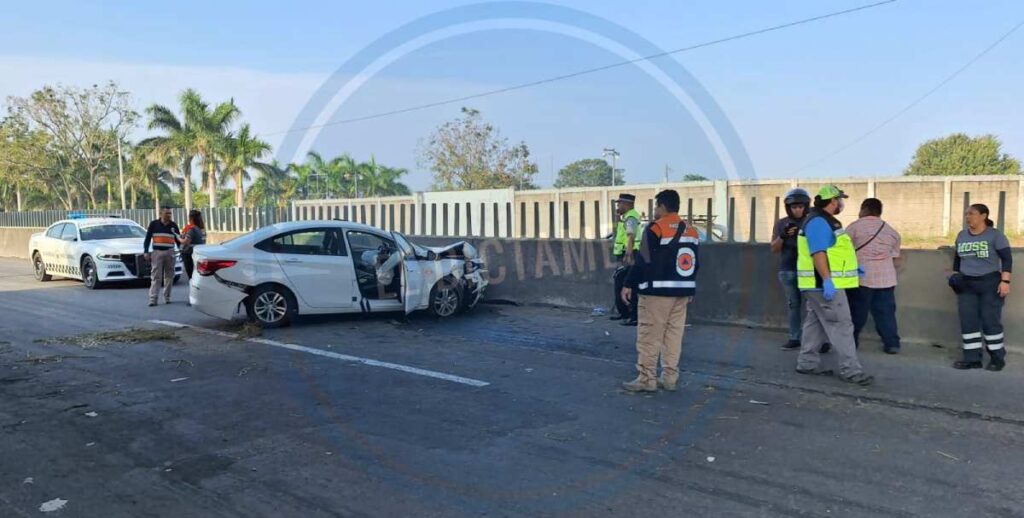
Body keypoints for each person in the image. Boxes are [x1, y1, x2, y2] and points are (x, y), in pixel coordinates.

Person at [620, 189, 700, 393]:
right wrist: (689, 286)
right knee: (673, 336)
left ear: (662, 206)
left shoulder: (655, 228)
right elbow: (695, 262)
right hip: (682, 291)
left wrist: (629, 284)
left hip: (656, 292)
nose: (655, 210)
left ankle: (647, 378)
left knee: (649, 335)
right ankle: (670, 377)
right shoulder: (690, 230)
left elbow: (642, 261)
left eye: (656, 206)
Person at [795, 185, 874, 386]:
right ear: (832, 201)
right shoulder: (820, 222)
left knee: (815, 323)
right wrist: (828, 280)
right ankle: (851, 370)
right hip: (823, 285)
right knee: (841, 325)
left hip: (815, 284)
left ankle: (807, 363)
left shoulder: (820, 220)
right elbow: (818, 252)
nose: (841, 203)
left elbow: (834, 252)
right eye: (840, 200)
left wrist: (852, 268)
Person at [949, 204, 1012, 371]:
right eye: (966, 214)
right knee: (968, 321)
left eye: (972, 213)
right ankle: (972, 358)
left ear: (983, 216)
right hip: (967, 284)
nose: (968, 217)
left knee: (990, 321)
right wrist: (954, 275)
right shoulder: (962, 235)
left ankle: (997, 358)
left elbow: (1007, 259)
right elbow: (957, 259)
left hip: (989, 283)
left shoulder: (995, 235)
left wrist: (1005, 282)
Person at [846, 198, 902, 354]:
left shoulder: (853, 228)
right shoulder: (892, 231)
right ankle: (892, 343)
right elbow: (895, 256)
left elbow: (843, 250)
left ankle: (851, 342)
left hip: (861, 279)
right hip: (886, 279)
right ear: (879, 211)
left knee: (856, 313)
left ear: (864, 209)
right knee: (886, 314)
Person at [772, 188, 811, 350]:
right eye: (794, 207)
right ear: (789, 208)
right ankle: (794, 337)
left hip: (808, 269)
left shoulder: (811, 221)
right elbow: (774, 249)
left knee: (813, 306)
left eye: (801, 207)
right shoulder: (782, 223)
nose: (798, 210)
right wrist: (784, 235)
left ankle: (816, 339)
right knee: (793, 305)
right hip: (788, 269)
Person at [610, 193, 642, 326]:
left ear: (628, 204)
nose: (618, 206)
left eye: (620, 203)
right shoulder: (627, 217)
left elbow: (630, 236)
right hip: (627, 253)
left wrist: (628, 254)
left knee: (629, 285)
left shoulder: (631, 217)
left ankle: (632, 316)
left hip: (630, 254)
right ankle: (625, 313)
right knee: (622, 283)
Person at [143, 207, 181, 307]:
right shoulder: (154, 224)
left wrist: (180, 250)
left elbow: (178, 239)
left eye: (170, 213)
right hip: (157, 252)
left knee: (169, 275)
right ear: (161, 214)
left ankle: (167, 297)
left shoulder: (173, 225)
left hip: (170, 252)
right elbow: (147, 239)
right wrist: (146, 251)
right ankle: (153, 299)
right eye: (166, 213)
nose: (168, 215)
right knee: (156, 276)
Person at [179, 209, 207, 307]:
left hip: (189, 254)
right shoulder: (202, 229)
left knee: (191, 277)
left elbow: (185, 242)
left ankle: (193, 298)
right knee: (198, 277)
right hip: (199, 255)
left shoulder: (192, 229)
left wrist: (178, 238)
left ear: (190, 218)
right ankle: (202, 297)